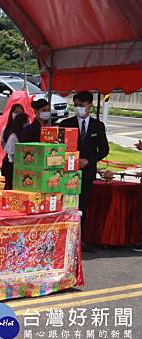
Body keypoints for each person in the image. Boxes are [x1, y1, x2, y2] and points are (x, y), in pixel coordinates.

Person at [59, 91, 109, 252]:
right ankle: (65, 238)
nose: (79, 108)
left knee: (83, 206)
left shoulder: (97, 126)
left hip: (87, 172)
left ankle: (81, 239)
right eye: (76, 105)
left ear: (90, 105)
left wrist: (88, 160)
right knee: (67, 205)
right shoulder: (66, 123)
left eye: (82, 105)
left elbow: (104, 150)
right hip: (68, 173)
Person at [0, 104, 26, 189]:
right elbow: (3, 144)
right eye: (16, 112)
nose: (18, 114)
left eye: (20, 112)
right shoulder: (9, 131)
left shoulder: (25, 131)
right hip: (10, 164)